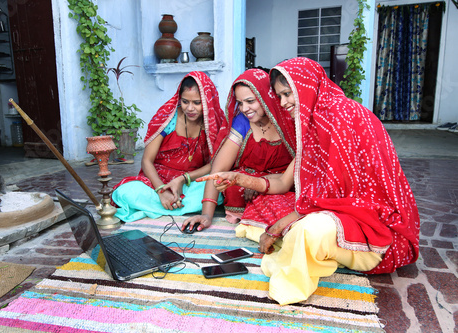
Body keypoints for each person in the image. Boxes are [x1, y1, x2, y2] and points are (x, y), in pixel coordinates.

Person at [198, 57, 420, 305]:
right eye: (279, 96)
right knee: (277, 213)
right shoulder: (311, 123)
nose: (283, 103)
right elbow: (286, 183)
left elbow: (334, 197)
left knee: (307, 231)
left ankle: (289, 287)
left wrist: (279, 226)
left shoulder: (342, 116)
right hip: (337, 211)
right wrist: (239, 178)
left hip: (371, 220)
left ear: (306, 85)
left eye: (287, 94)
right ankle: (312, 251)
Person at [182, 68, 294, 232]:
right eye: (240, 103)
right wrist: (206, 215)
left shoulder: (288, 119)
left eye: (250, 101)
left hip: (284, 180)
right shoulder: (242, 122)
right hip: (244, 181)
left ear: (266, 97)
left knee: (281, 196)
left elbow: (300, 171)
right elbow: (218, 170)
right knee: (234, 188)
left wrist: (256, 183)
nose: (244, 108)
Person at [111, 71, 227, 222]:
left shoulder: (214, 122)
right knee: (125, 193)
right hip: (159, 180)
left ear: (207, 101)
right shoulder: (167, 118)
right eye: (185, 102)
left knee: (220, 189)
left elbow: (216, 164)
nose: (190, 108)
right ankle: (174, 204)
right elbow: (147, 160)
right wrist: (161, 190)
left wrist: (181, 179)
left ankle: (163, 207)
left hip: (192, 180)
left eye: (197, 103)